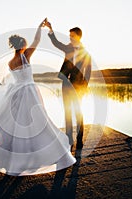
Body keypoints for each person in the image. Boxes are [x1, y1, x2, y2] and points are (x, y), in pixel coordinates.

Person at [0, 18, 76, 176]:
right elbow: (37, 40)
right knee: (39, 123)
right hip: (29, 93)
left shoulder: (11, 62)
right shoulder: (26, 56)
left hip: (17, 94)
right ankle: (45, 154)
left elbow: (13, 80)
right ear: (23, 46)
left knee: (15, 126)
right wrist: (41, 27)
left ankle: (13, 159)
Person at [45, 20, 92, 150]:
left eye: (71, 35)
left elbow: (88, 72)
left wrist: (84, 87)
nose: (69, 38)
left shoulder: (86, 53)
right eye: (69, 36)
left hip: (78, 86)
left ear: (78, 36)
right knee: (67, 112)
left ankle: (79, 140)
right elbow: (56, 43)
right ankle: (69, 139)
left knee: (78, 113)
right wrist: (50, 29)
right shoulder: (68, 47)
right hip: (66, 84)